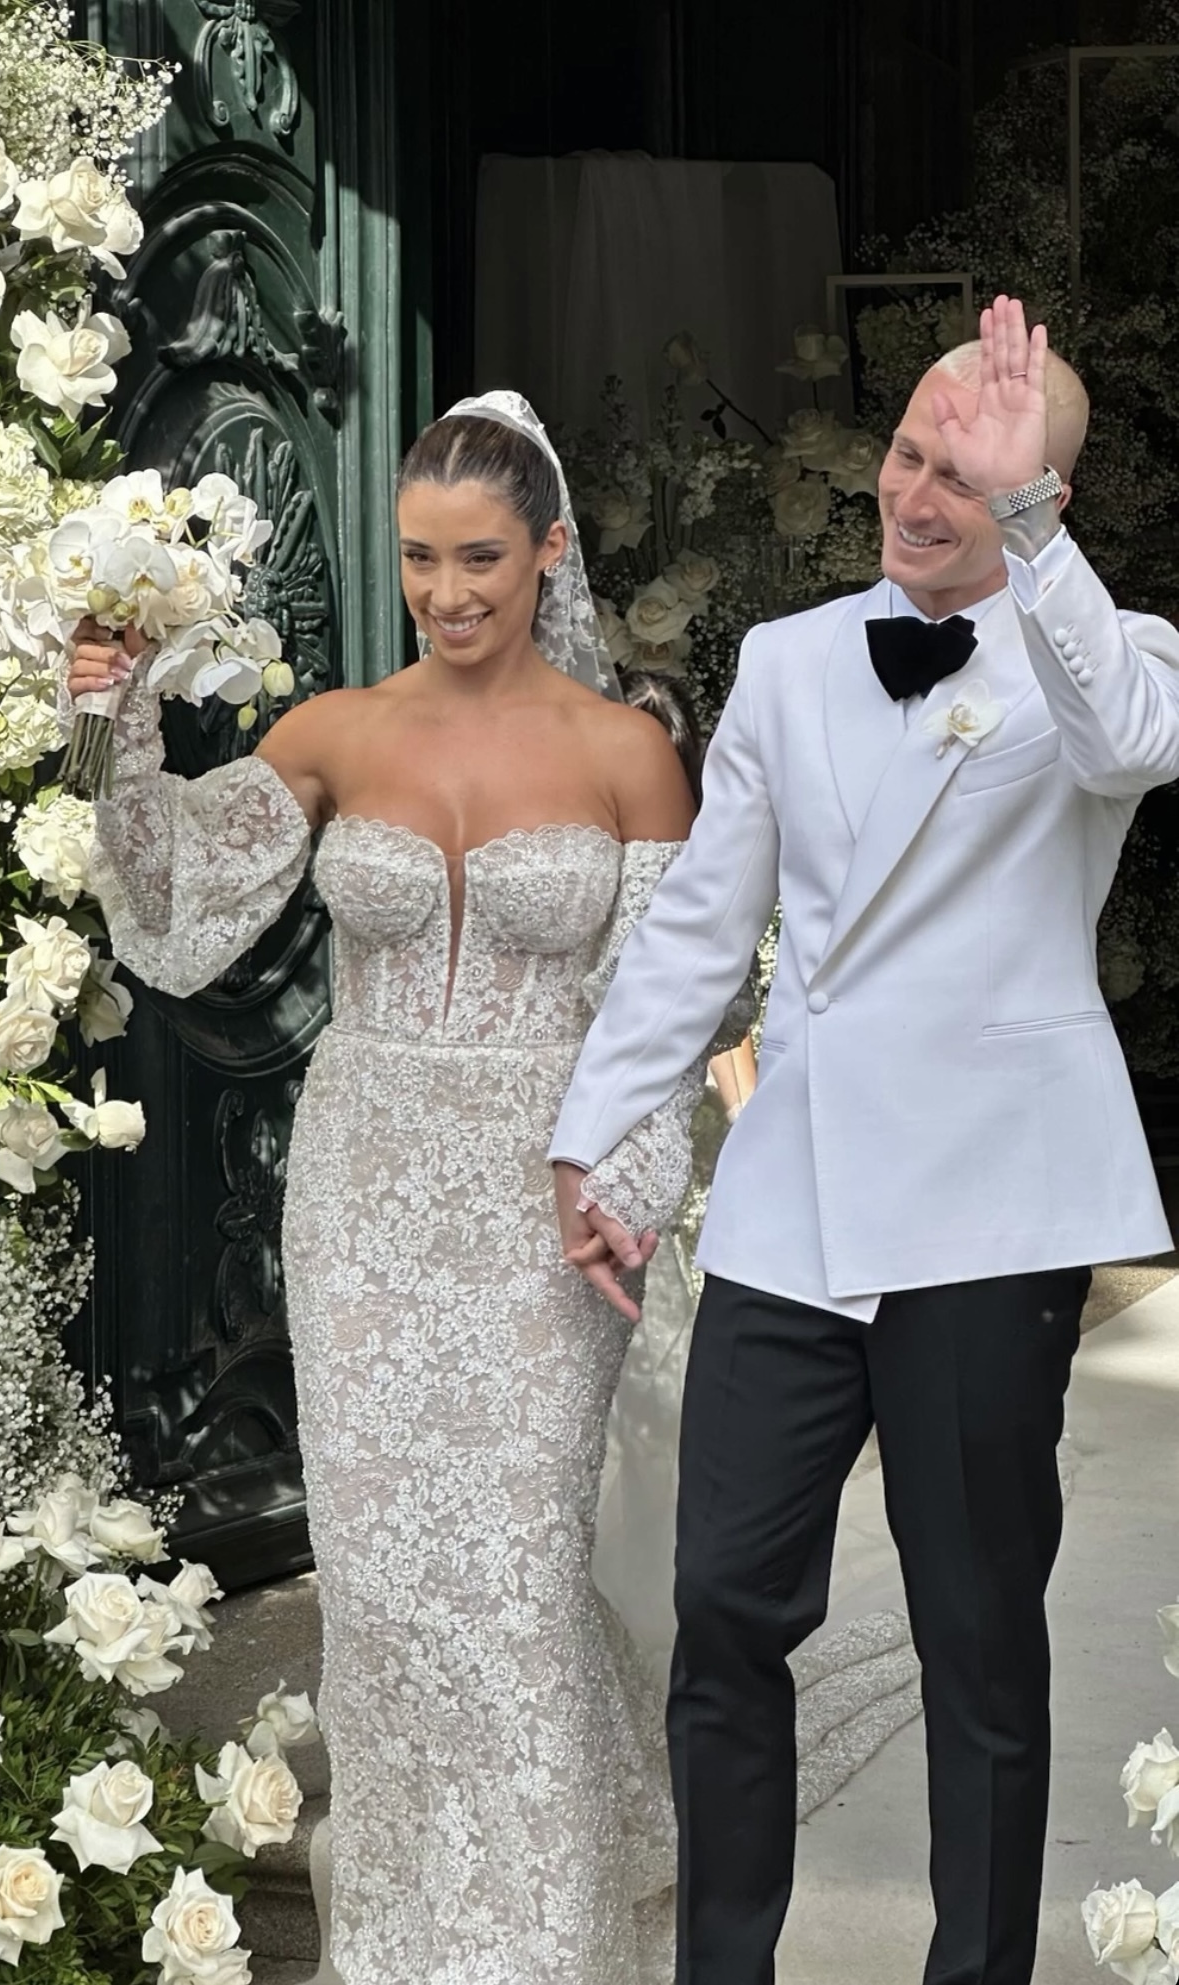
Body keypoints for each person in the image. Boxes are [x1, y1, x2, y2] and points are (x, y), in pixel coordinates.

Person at [549, 296, 1179, 1985]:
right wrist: (595, 1131)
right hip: (795, 1207)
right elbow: (705, 920)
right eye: (908, 453)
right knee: (724, 1607)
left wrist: (1027, 525)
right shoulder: (792, 656)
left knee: (978, 1637)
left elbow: (1136, 739)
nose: (915, 493)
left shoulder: (1107, 653)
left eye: (964, 476)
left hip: (990, 1214)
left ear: (1040, 498)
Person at [66, 391, 707, 1985]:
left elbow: (670, 1010)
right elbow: (173, 900)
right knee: (388, 1592)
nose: (447, 590)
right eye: (420, 557)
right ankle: (409, 1949)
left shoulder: (627, 752)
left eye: (480, 556)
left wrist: (625, 1180)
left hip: (546, 1209)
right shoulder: (337, 731)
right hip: (364, 1200)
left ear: (548, 551)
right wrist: (110, 723)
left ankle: (551, 1942)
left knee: (517, 1577)